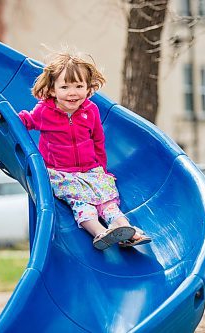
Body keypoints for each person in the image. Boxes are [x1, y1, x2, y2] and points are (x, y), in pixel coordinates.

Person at [18, 51, 151, 250]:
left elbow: (98, 139)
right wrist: (10, 118)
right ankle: (99, 233)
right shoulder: (44, 111)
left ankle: (126, 231)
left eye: (79, 86)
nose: (73, 93)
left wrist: (100, 169)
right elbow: (26, 121)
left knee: (108, 202)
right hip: (61, 173)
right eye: (65, 87)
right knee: (81, 203)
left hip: (91, 170)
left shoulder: (91, 110)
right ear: (52, 90)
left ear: (88, 88)